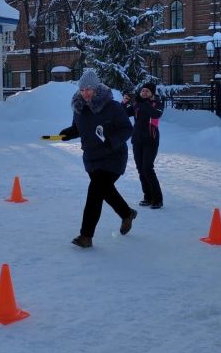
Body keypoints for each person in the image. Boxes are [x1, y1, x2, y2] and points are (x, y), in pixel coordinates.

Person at [58, 70, 137, 248]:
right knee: (105, 191)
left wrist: (112, 141)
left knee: (95, 192)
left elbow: (127, 129)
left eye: (89, 89)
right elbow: (78, 128)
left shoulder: (112, 106)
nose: (86, 93)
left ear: (97, 88)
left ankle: (86, 236)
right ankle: (127, 213)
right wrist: (68, 134)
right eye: (83, 89)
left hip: (113, 157)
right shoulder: (79, 108)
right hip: (92, 158)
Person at [122, 82, 164, 209]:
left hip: (151, 139)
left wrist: (139, 103)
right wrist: (124, 102)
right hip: (137, 140)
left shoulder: (156, 103)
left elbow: (155, 114)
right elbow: (123, 113)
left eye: (147, 91)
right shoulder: (136, 104)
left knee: (147, 168)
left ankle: (157, 199)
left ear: (152, 93)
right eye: (142, 90)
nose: (144, 92)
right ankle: (147, 196)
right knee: (140, 169)